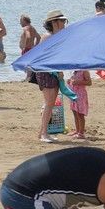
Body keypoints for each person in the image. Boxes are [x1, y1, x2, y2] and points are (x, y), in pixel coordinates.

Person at [35, 10, 69, 143]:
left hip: (54, 72)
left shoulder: (58, 36)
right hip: (45, 72)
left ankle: (42, 132)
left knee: (51, 103)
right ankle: (44, 134)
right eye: (62, 21)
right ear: (54, 22)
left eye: (64, 20)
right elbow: (43, 57)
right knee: (49, 103)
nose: (64, 23)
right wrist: (56, 69)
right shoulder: (47, 37)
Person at [67, 69, 91, 139]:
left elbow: (89, 82)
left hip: (80, 95)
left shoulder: (84, 71)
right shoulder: (74, 71)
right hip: (73, 94)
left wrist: (78, 82)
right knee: (75, 112)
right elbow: (73, 82)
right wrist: (69, 82)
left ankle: (81, 133)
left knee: (80, 114)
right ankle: (77, 130)